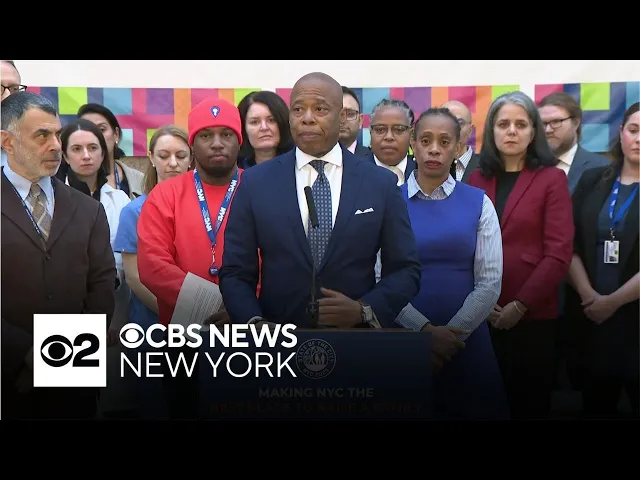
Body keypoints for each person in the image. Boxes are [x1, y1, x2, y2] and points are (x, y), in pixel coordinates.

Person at [220, 72, 421, 329]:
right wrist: (255, 323)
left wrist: (364, 310)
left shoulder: (379, 183)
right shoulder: (256, 182)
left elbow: (406, 270)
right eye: (298, 109)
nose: (307, 118)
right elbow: (235, 271)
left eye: (320, 109)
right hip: (278, 341)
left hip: (353, 341)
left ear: (342, 117)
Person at [1, 91, 115, 419]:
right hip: (8, 378)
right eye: (42, 135)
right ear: (7, 142)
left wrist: (57, 360)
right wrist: (25, 355)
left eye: (57, 134)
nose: (55, 145)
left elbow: (102, 288)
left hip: (74, 380)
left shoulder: (88, 209)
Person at [395, 107, 507, 419]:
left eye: (444, 142)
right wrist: (425, 332)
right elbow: (380, 277)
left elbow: (490, 282)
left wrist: (451, 337)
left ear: (458, 148)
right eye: (426, 140)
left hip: (467, 341)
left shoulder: (479, 202)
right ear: (413, 144)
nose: (434, 149)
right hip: (403, 339)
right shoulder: (389, 201)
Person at [137, 98, 246, 418]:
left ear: (240, 141)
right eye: (206, 135)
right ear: (192, 145)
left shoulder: (260, 189)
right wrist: (214, 305)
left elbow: (277, 258)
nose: (217, 143)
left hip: (249, 331)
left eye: (226, 134)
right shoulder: (165, 194)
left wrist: (241, 308)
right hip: (182, 337)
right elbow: (152, 265)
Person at [468, 91, 574, 419]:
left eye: (520, 124)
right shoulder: (476, 178)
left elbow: (559, 253)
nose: (511, 131)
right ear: (492, 131)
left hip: (532, 317)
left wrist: (521, 304)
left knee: (528, 404)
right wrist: (480, 303)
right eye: (503, 124)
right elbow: (465, 245)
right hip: (480, 315)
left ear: (533, 132)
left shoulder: (552, 179)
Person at [113, 125, 192, 419]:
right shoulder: (134, 211)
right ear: (151, 157)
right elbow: (135, 279)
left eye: (181, 155)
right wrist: (183, 317)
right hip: (153, 330)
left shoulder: (205, 209)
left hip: (202, 329)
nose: (173, 163)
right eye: (164, 155)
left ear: (191, 159)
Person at [567, 102, 639, 418]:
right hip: (591, 317)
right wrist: (589, 296)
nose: (638, 139)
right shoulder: (593, 179)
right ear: (621, 133)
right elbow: (567, 243)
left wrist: (613, 302)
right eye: (633, 130)